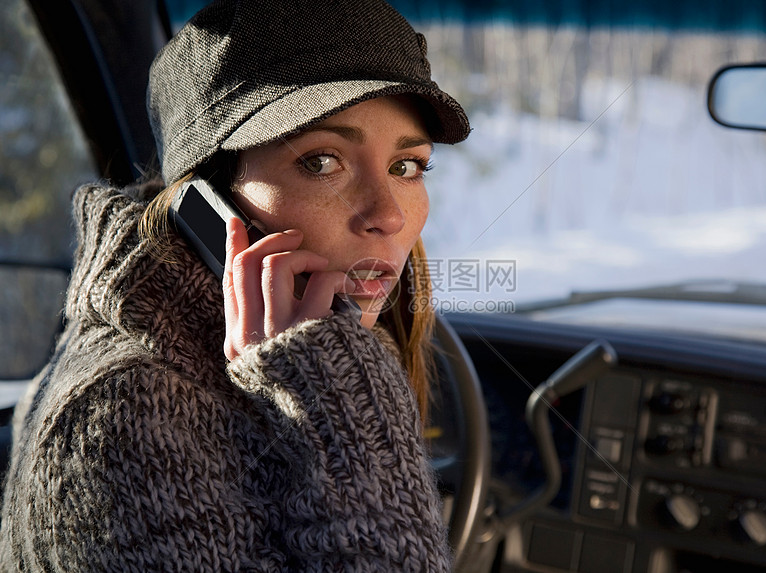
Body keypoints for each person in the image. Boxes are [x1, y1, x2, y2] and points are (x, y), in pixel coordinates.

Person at [0, 0, 470, 570]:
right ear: (207, 205)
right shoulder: (126, 418)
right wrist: (346, 410)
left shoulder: (294, 349)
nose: (389, 215)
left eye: (407, 166)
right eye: (321, 162)